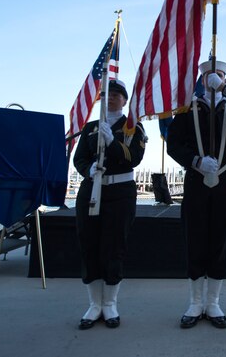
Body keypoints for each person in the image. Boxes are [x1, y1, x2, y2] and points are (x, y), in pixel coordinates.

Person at [166, 60, 226, 329]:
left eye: (218, 75)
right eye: (209, 75)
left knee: (222, 236)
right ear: (201, 79)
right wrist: (194, 161)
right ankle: (195, 302)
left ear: (224, 79)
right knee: (195, 236)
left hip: (225, 178)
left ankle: (213, 302)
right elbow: (174, 144)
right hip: (196, 177)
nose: (213, 79)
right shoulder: (187, 108)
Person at [73, 79, 147, 330]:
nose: (111, 98)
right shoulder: (92, 127)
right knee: (89, 244)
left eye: (117, 95)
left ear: (125, 100)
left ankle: (110, 304)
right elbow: (79, 158)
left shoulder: (133, 128)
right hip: (92, 190)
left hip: (120, 193)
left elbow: (133, 158)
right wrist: (89, 168)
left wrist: (113, 143)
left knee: (114, 246)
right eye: (107, 94)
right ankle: (94, 304)